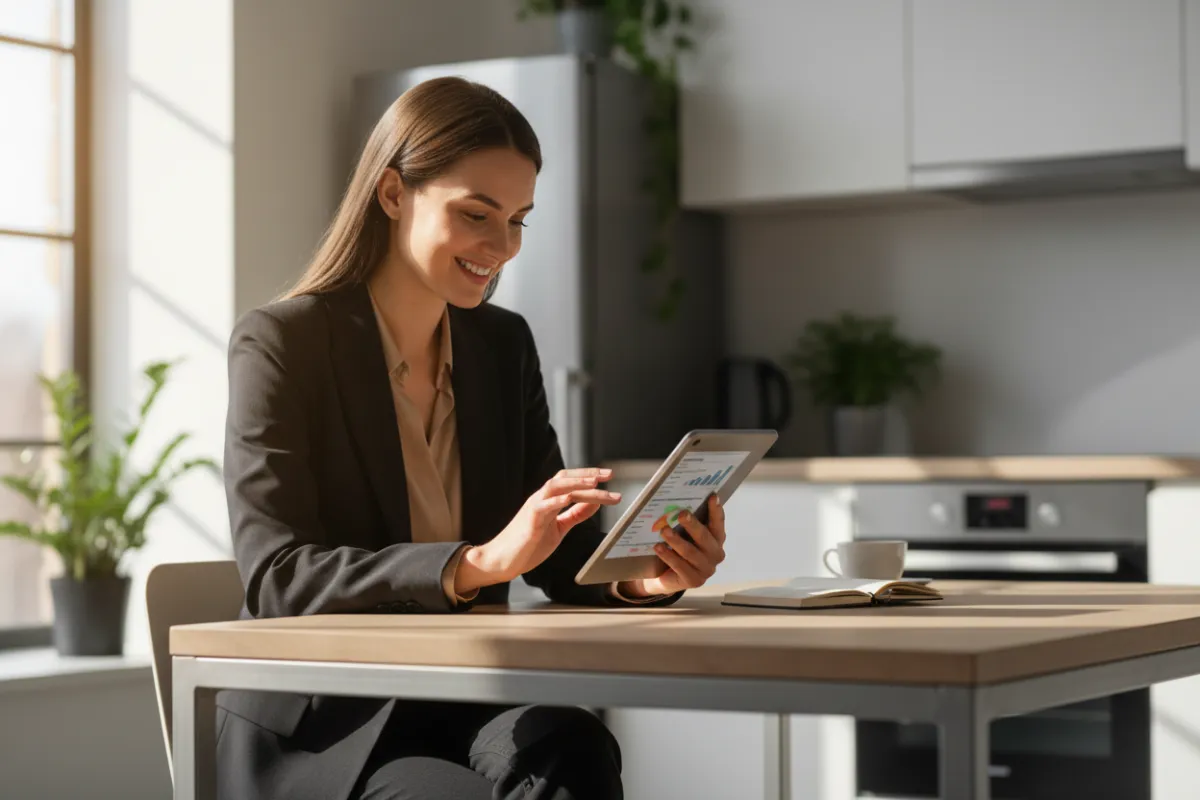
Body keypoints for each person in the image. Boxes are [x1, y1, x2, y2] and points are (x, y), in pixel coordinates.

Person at [220, 76, 729, 800]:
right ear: (393, 195)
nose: (501, 246)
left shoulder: (501, 344)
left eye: (518, 219)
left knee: (575, 748)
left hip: (463, 695)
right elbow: (278, 578)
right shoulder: (283, 343)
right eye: (476, 214)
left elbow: (559, 560)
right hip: (327, 725)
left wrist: (645, 576)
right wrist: (477, 563)